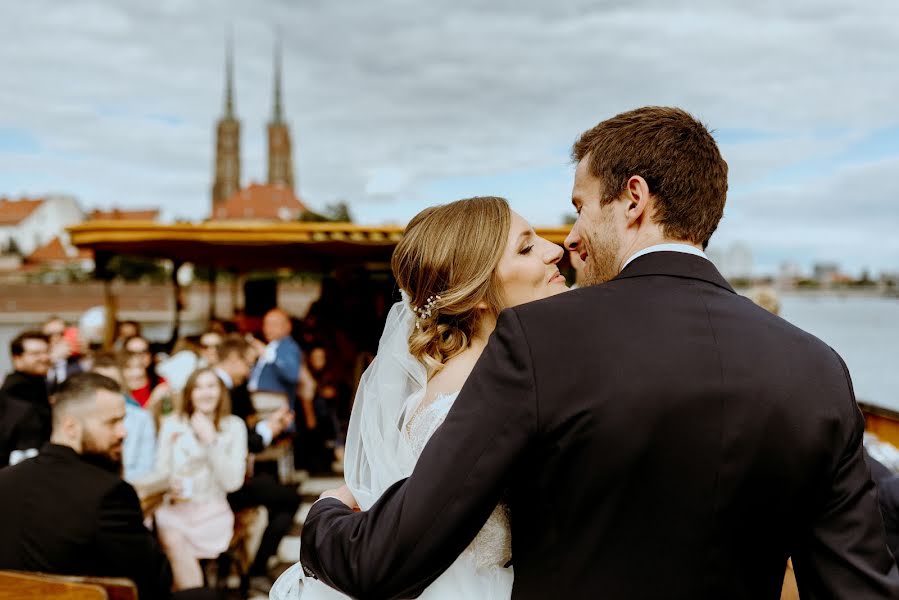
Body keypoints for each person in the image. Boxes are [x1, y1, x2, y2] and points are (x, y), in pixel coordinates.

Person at [296, 107, 899, 599]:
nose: (571, 239)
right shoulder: (819, 368)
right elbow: (858, 588)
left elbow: (388, 558)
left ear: (633, 199)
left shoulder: (540, 339)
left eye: (580, 207)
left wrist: (323, 519)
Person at [272, 195, 569, 599]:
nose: (556, 250)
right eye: (527, 247)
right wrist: (328, 511)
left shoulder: (482, 377)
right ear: (478, 293)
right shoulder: (471, 396)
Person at [0, 373, 175, 599]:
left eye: (123, 420)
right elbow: (155, 582)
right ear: (71, 427)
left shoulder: (5, 480)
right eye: (112, 422)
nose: (124, 432)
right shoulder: (109, 494)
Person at [211, 335, 301, 592]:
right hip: (223, 481)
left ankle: (255, 565)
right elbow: (236, 441)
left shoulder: (232, 387)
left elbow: (242, 435)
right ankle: (258, 567)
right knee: (288, 499)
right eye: (248, 364)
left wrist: (268, 426)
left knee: (282, 497)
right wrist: (268, 430)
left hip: (239, 473)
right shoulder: (216, 389)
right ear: (233, 359)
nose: (251, 371)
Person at [152, 367, 247, 591]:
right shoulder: (172, 424)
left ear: (221, 392)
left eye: (211, 386)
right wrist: (168, 486)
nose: (205, 393)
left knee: (176, 550)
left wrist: (212, 441)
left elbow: (233, 482)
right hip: (175, 510)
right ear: (190, 393)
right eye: (199, 387)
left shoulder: (234, 426)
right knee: (171, 539)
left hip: (212, 512)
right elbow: (161, 470)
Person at [90, 351, 157, 482]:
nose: (105, 391)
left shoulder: (141, 419)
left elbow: (146, 468)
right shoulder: (80, 417)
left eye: (111, 384)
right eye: (99, 384)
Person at [0, 331, 52, 465]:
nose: (44, 357)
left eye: (46, 351)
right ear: (17, 359)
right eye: (36, 354)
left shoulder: (39, 384)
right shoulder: (16, 391)